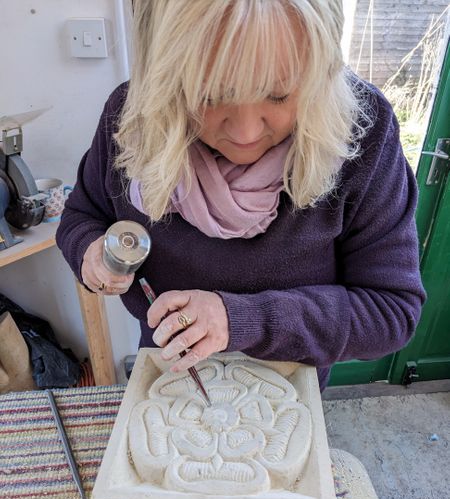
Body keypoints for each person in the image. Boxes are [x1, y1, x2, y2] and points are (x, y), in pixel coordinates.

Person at [56, 0, 426, 392]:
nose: (246, 133)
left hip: (290, 386)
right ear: (165, 75)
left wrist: (239, 320)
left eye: (279, 94)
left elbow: (390, 312)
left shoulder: (363, 130)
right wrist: (91, 252)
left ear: (319, 74)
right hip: (171, 369)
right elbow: (82, 216)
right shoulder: (130, 119)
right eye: (212, 96)